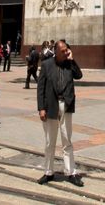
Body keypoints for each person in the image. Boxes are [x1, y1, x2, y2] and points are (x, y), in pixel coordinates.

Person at [36, 40, 83, 187]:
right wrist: (41, 108)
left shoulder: (69, 64)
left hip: (66, 105)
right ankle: (48, 172)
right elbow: (40, 88)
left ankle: (70, 172)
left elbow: (79, 75)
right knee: (50, 141)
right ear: (55, 51)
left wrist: (72, 59)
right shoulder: (46, 65)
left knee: (66, 140)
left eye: (66, 50)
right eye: (62, 51)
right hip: (51, 106)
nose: (65, 53)